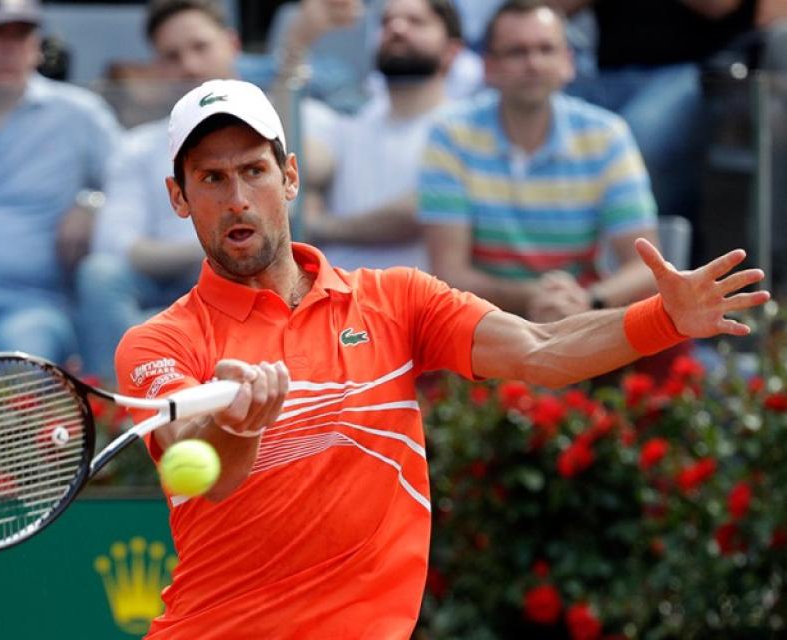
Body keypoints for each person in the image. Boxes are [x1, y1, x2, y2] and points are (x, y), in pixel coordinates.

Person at [113, 77, 768, 638]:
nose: (236, 198)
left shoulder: (397, 300)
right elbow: (197, 466)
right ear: (179, 197)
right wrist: (237, 426)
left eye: (254, 170)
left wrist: (662, 319)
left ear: (289, 178)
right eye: (212, 178)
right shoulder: (159, 343)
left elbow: (541, 350)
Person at [75, 0, 343, 381]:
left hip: (251, 272)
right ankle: (117, 408)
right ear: (178, 194)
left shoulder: (292, 113)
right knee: (100, 274)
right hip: (167, 280)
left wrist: (291, 57)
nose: (189, 64)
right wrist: (217, 244)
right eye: (172, 56)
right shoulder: (137, 147)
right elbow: (115, 245)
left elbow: (320, 163)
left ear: (232, 44)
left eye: (200, 47)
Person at [419, 0, 658, 322]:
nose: (533, 63)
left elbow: (645, 268)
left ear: (568, 62)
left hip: (579, 322)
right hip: (484, 325)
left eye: (546, 49)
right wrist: (541, 298)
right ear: (488, 66)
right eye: (516, 52)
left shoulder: (606, 135)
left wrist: (588, 300)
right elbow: (449, 274)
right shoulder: (451, 134)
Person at [0, 0, 120, 373]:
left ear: (36, 44)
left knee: (22, 360)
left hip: (32, 306)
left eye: (22, 34)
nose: (9, 47)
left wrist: (92, 203)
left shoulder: (80, 114)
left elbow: (133, 187)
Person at [557, 0, 758, 261]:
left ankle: (640, 265)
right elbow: (549, 7)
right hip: (604, 74)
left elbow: (720, 5)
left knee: (638, 141)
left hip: (693, 69)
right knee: (546, 122)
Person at [298, 0, 464, 272]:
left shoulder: (464, 130)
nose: (396, 28)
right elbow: (301, 172)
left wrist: (321, 226)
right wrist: (299, 40)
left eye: (416, 21)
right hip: (335, 296)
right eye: (387, 21)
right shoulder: (348, 122)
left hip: (413, 297)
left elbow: (420, 208)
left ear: (452, 51)